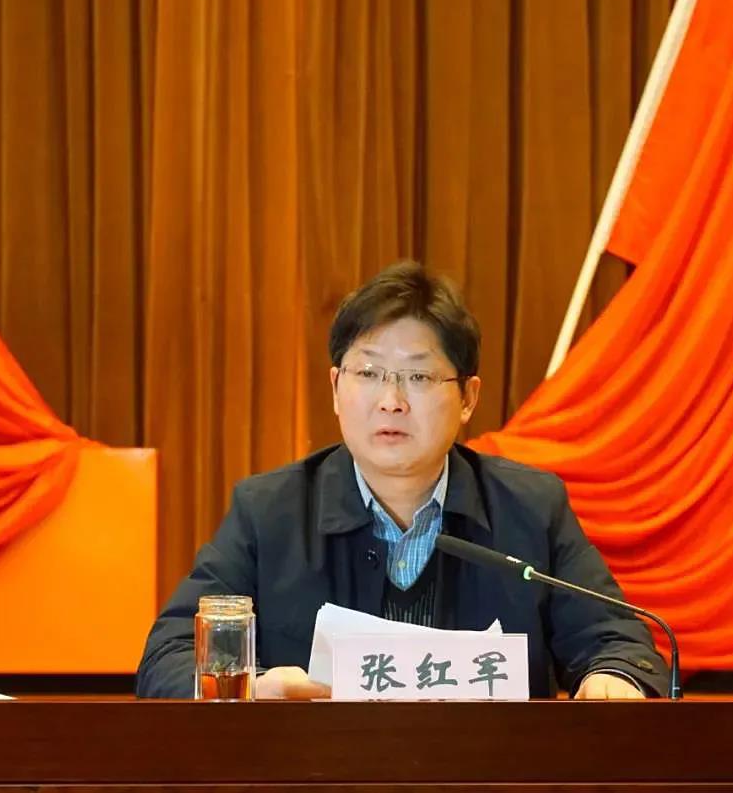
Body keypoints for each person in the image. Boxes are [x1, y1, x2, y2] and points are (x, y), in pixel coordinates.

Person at [137, 262, 668, 699]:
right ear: (336, 387)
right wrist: (252, 691)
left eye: (418, 376)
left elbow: (619, 644)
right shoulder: (270, 512)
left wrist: (613, 678)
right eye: (369, 374)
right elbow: (169, 657)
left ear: (468, 398)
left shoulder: (529, 508)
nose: (391, 400)